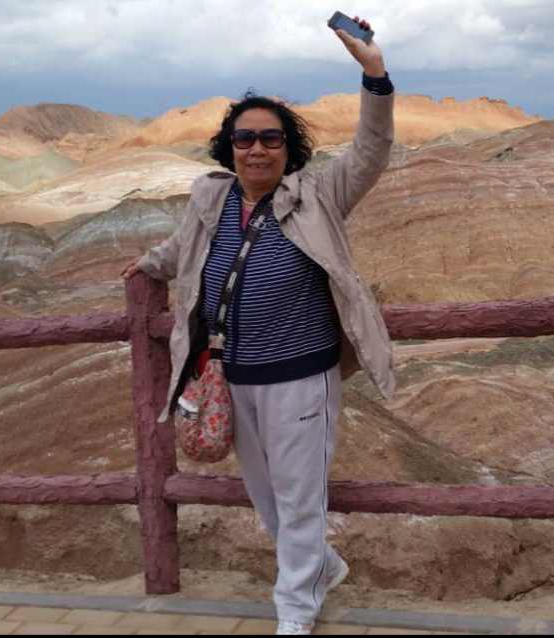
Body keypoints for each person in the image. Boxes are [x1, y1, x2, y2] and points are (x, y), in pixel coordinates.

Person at [121, 16, 396, 636]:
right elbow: (183, 249)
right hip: (233, 377)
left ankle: (295, 611)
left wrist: (374, 73)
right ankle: (322, 567)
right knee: (269, 501)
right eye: (244, 138)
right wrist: (148, 265)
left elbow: (372, 150)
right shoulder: (211, 199)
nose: (257, 149)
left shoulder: (320, 195)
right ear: (230, 148)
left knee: (299, 499)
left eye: (271, 138)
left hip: (301, 377)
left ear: (288, 148)